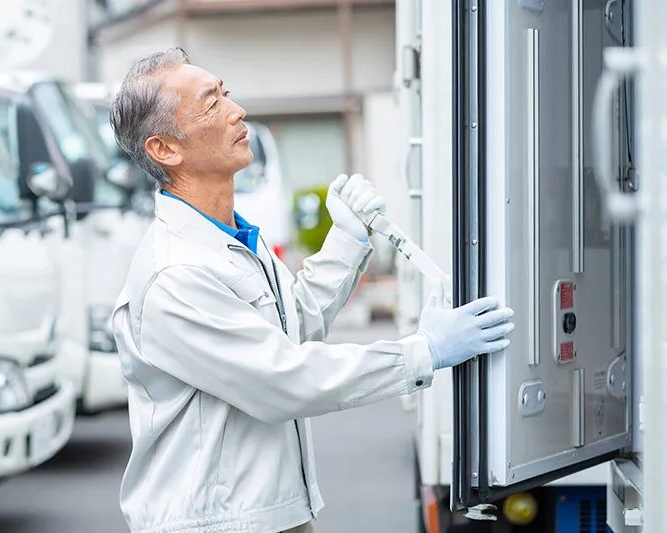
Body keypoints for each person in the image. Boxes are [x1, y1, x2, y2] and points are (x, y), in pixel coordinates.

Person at [109, 48, 515, 533]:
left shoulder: (230, 239)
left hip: (266, 516)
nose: (237, 112)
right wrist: (422, 352)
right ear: (165, 150)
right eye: (211, 103)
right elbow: (283, 379)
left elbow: (290, 330)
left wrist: (345, 241)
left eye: (226, 93)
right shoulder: (174, 275)